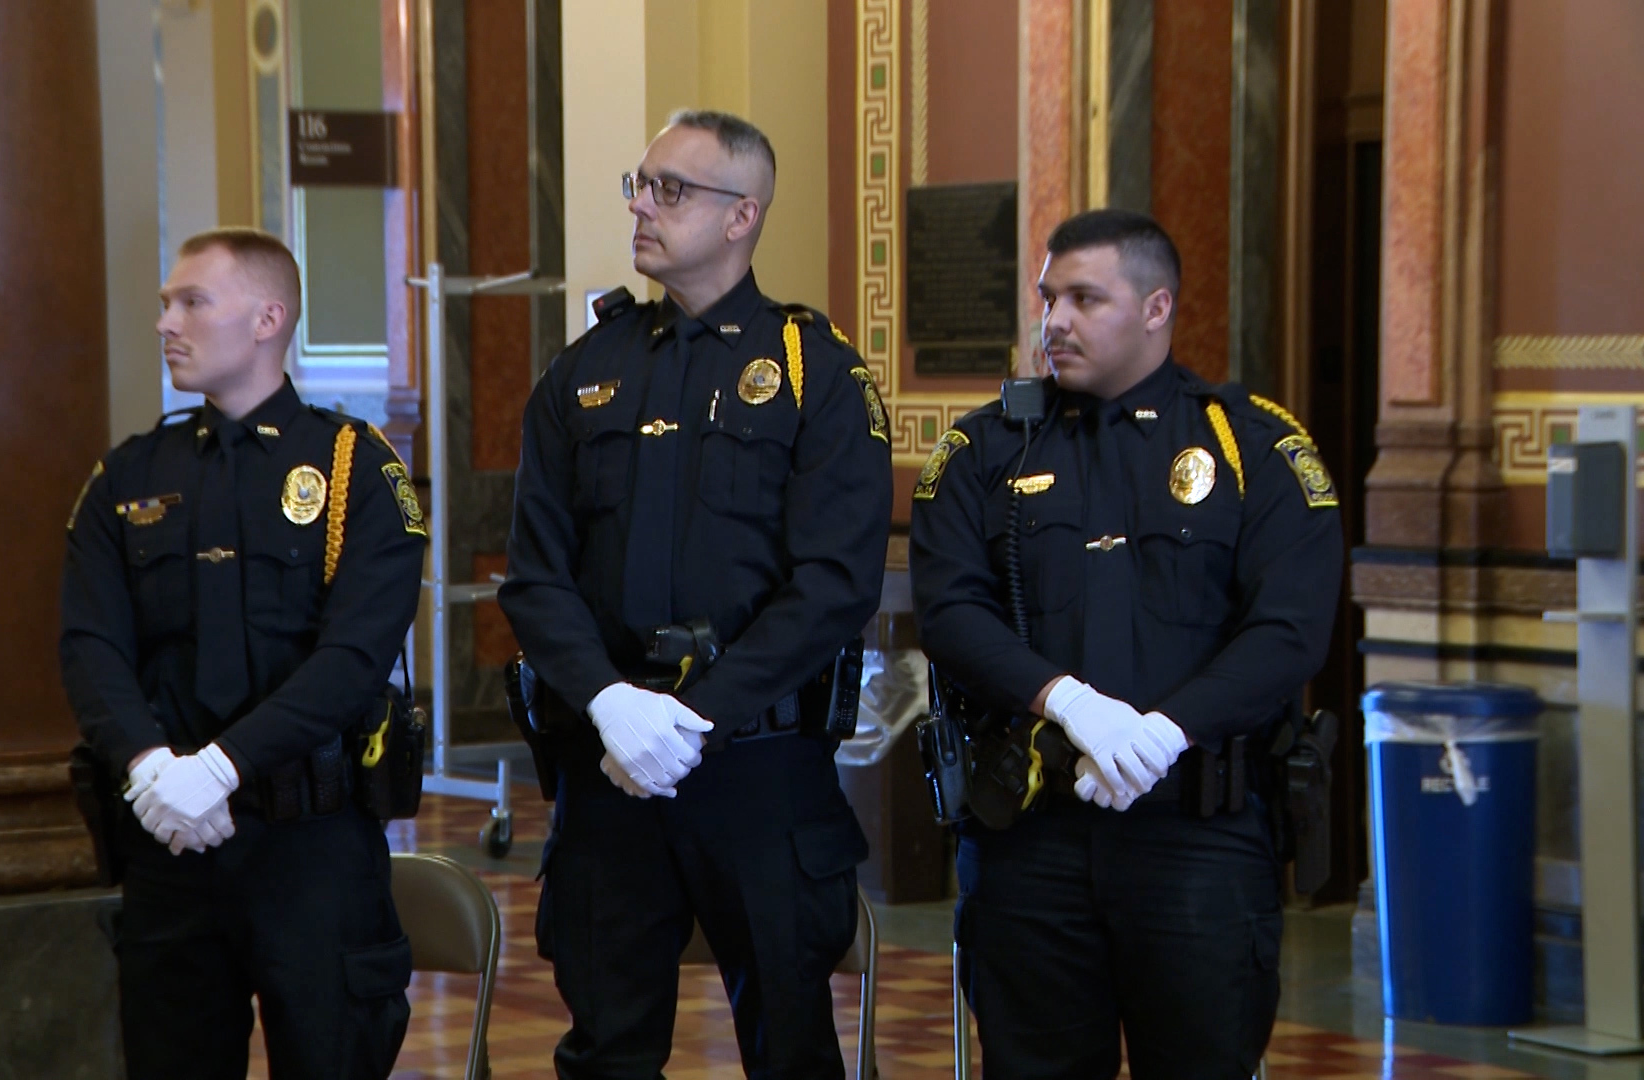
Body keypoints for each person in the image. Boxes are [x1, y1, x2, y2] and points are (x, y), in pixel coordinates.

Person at [498, 110, 893, 1079]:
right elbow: (534, 575)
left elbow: (836, 585)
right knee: (605, 1044)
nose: (642, 205)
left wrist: (692, 719)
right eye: (639, 183)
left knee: (790, 1043)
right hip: (607, 760)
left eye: (671, 189)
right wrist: (610, 703)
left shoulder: (816, 372)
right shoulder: (583, 370)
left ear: (740, 215)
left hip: (755, 765)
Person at [908, 209, 1343, 1079]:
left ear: (1156, 308)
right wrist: (1064, 701)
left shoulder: (1251, 443)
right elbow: (951, 611)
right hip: (1030, 834)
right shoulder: (983, 448)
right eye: (1047, 297)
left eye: (1083, 298)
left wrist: (1168, 729)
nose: (1054, 321)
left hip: (1199, 835)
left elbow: (1290, 630)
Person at [60, 228, 425, 1080]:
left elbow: (352, 660)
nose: (166, 323)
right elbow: (90, 643)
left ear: (268, 318)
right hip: (170, 845)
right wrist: (153, 767)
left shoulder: (353, 470)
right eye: (164, 304)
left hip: (311, 845)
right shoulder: (128, 477)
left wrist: (221, 768)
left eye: (192, 301)